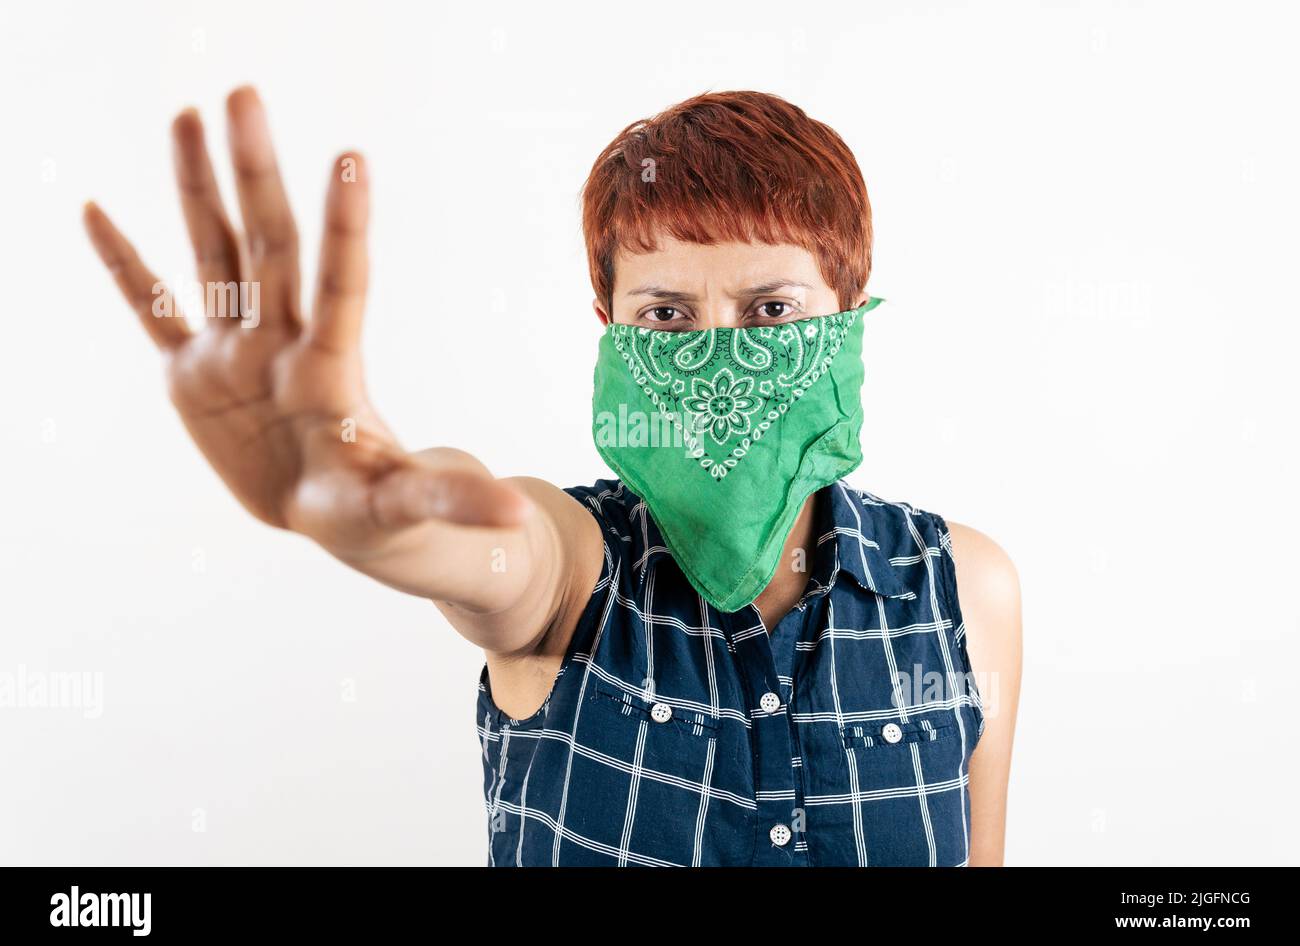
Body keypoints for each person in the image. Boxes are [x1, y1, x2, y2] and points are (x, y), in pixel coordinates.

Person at [83, 86, 1022, 867]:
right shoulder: (575, 574)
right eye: (665, 315)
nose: (720, 354)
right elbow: (488, 539)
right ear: (606, 321)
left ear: (850, 310)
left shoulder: (962, 590)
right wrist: (359, 481)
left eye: (772, 309)